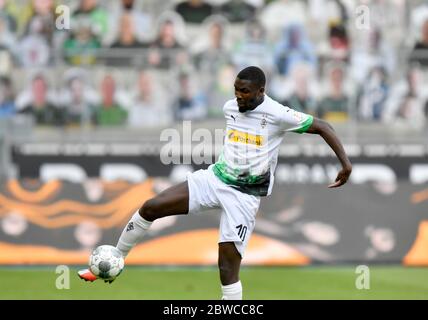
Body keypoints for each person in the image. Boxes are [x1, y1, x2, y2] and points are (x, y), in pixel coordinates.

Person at [78, 66, 352, 299]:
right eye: (236, 89)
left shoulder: (278, 114)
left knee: (226, 268)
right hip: (214, 179)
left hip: (244, 196)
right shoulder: (230, 107)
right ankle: (115, 258)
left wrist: (345, 163)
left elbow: (323, 126)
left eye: (245, 91)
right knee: (151, 207)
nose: (238, 96)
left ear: (261, 92)